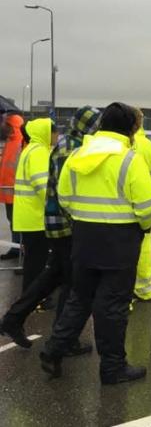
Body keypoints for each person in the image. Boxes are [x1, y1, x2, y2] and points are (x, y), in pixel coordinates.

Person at [40, 102, 151, 384]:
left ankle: (54, 349)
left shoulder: (79, 154)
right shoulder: (129, 159)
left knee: (80, 299)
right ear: (130, 128)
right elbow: (145, 206)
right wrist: (142, 228)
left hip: (84, 237)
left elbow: (64, 196)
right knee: (112, 306)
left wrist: (82, 217)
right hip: (119, 239)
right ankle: (112, 368)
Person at [0, 108, 100, 352]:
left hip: (52, 220)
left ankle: (14, 319)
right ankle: (64, 340)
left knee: (54, 275)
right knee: (72, 282)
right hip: (63, 222)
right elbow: (57, 186)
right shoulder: (68, 149)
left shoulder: (62, 146)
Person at [14, 118, 55, 294]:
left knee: (33, 261)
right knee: (37, 262)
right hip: (36, 216)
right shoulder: (39, 152)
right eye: (54, 132)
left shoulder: (30, 149)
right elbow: (42, 186)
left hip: (28, 216)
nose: (57, 136)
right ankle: (34, 298)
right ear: (47, 133)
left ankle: (31, 296)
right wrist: (57, 202)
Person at [132, 117, 151, 302]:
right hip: (149, 200)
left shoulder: (128, 144)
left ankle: (130, 290)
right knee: (145, 246)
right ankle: (144, 288)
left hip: (127, 205)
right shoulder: (149, 145)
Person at [0, 112, 24, 260]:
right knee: (12, 221)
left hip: (17, 191)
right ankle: (16, 248)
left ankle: (19, 250)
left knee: (18, 223)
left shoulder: (20, 143)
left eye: (7, 124)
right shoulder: (10, 141)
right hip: (8, 190)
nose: (4, 127)